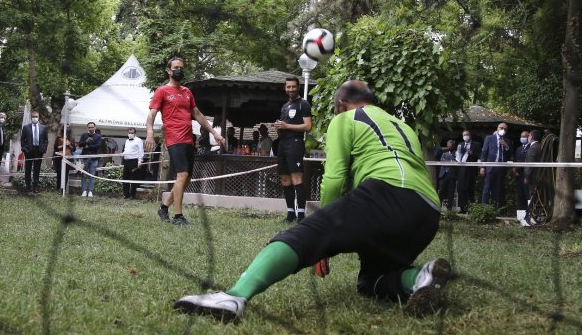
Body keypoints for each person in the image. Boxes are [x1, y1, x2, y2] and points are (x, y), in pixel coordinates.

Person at [174, 80, 449, 321]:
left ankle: (233, 297)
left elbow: (335, 177)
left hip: (388, 192)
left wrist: (324, 237)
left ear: (341, 104)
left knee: (301, 236)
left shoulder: (347, 118)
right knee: (371, 281)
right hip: (427, 213)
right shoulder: (403, 126)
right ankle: (420, 278)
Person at [145, 57, 225, 226]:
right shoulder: (162, 91)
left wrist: (214, 133)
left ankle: (164, 208)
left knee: (186, 178)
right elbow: (151, 114)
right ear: (168, 70)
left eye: (181, 67)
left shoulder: (187, 92)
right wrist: (150, 133)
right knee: (182, 175)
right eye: (175, 67)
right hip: (174, 139)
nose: (179, 70)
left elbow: (197, 114)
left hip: (189, 139)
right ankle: (178, 216)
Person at [275, 76, 312, 222]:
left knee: (297, 177)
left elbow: (308, 127)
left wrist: (287, 126)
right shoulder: (285, 106)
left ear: (298, 87)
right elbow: (284, 125)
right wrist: (278, 126)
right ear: (285, 88)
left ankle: (301, 215)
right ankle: (291, 213)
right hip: (282, 143)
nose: (290, 89)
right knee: (285, 178)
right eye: (288, 87)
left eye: (293, 86)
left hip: (295, 143)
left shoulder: (303, 104)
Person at [479, 122, 511, 208]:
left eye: (505, 129)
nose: (503, 130)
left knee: (498, 189)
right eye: (501, 128)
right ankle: (483, 208)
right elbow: (484, 152)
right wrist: (482, 166)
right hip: (490, 166)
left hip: (501, 168)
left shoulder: (507, 140)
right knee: (487, 187)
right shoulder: (489, 138)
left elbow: (510, 155)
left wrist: (506, 146)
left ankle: (496, 208)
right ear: (497, 128)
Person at [21, 111, 48, 194]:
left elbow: (45, 140)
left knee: (37, 169)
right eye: (33, 116)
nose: (35, 118)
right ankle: (28, 186)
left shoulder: (43, 127)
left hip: (38, 151)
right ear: (31, 117)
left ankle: (35, 186)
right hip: (29, 150)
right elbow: (22, 140)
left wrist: (43, 149)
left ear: (38, 117)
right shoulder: (26, 127)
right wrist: (25, 149)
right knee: (28, 169)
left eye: (36, 116)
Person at [455, 129, 481, 214]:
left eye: (467, 135)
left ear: (470, 135)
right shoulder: (460, 145)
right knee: (461, 189)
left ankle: (471, 208)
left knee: (470, 189)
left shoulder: (476, 144)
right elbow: (457, 157)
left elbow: (480, 156)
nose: (465, 136)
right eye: (464, 135)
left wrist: (472, 153)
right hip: (461, 170)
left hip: (471, 171)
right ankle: (462, 208)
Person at [522, 130, 542, 226]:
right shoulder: (540, 146)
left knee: (532, 195)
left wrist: (526, 176)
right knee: (537, 196)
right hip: (539, 175)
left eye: (529, 135)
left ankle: (530, 216)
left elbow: (529, 164)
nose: (528, 137)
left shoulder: (533, 148)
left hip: (533, 176)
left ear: (532, 137)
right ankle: (536, 215)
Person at [78, 122, 102, 197]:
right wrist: (86, 141)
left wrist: (88, 147)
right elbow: (79, 144)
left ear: (95, 127)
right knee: (84, 175)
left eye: (92, 127)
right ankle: (84, 190)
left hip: (94, 158)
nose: (91, 128)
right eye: (89, 127)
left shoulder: (98, 136)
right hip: (85, 158)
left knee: (92, 175)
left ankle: (90, 191)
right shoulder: (84, 135)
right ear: (87, 128)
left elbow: (98, 146)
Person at [513, 129, 531, 225]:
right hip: (518, 175)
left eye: (525, 136)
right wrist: (515, 170)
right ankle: (521, 215)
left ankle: (529, 214)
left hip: (526, 175)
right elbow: (515, 160)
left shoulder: (530, 148)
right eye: (522, 136)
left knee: (527, 194)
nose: (522, 138)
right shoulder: (519, 148)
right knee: (520, 195)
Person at [121, 127, 144, 199]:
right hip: (126, 161)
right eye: (129, 133)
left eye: (132, 133)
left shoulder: (138, 140)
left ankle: (132, 195)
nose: (130, 134)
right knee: (125, 178)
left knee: (133, 178)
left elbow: (141, 151)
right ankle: (126, 194)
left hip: (134, 161)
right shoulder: (127, 140)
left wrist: (140, 161)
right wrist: (122, 154)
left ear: (135, 133)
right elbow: (126, 150)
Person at [53, 124, 76, 193]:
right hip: (59, 158)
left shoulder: (72, 139)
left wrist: (69, 145)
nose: (67, 129)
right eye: (65, 127)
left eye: (68, 128)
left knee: (66, 173)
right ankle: (58, 188)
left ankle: (63, 189)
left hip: (68, 158)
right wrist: (63, 145)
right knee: (59, 173)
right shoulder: (58, 138)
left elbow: (74, 149)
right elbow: (55, 148)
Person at [437, 140, 457, 211]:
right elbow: (441, 161)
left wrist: (448, 161)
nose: (449, 147)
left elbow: (455, 162)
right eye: (448, 145)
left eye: (451, 146)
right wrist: (450, 162)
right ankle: (437, 207)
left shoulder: (456, 154)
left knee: (450, 193)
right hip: (443, 175)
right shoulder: (444, 154)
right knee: (441, 192)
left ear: (453, 146)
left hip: (451, 176)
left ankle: (449, 209)